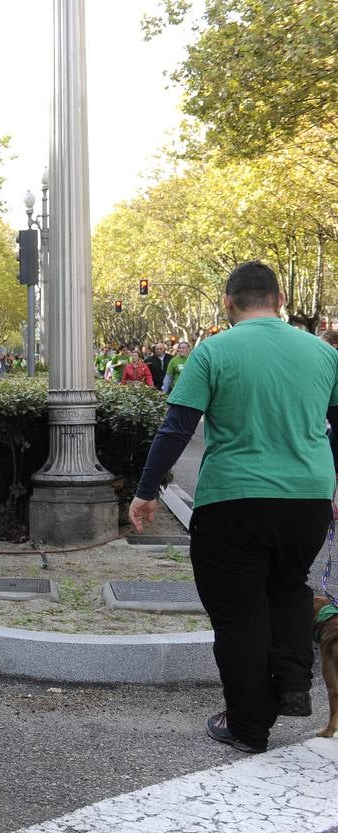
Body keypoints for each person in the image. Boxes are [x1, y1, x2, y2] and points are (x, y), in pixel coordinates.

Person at [129, 260, 338, 755]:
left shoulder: (212, 351)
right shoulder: (323, 353)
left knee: (239, 615)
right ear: (281, 299)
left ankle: (248, 725)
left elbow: (176, 427)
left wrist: (145, 490)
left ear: (228, 302)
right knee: (289, 586)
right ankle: (290, 678)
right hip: (307, 498)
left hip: (234, 500)